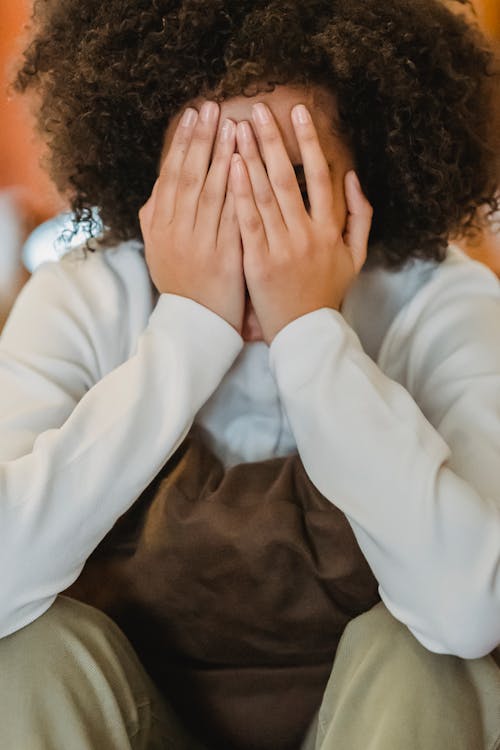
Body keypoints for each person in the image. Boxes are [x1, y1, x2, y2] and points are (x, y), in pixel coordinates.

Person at [1, 0, 499, 747]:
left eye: (289, 181)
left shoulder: (443, 298)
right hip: (139, 717)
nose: (249, 224)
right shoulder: (84, 293)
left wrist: (310, 333)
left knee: (430, 660)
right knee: (24, 658)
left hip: (368, 715)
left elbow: (471, 609)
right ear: (149, 175)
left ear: (367, 179)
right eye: (205, 179)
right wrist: (187, 332)